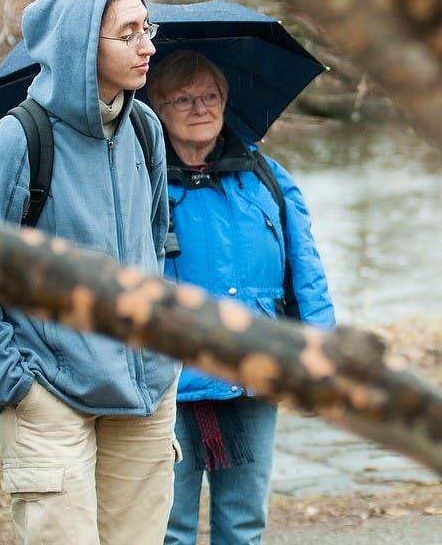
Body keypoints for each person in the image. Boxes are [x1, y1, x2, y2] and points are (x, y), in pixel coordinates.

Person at [0, 0, 179, 543]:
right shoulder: (14, 144)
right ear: (80, 46)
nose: (147, 46)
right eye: (127, 34)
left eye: (146, 29)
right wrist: (14, 383)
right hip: (50, 398)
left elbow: (154, 243)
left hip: (146, 393)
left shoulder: (146, 131)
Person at [145, 50, 335, 545]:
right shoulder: (137, 181)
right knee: (167, 527)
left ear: (227, 102)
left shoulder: (266, 176)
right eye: (181, 99)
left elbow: (307, 276)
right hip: (166, 381)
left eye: (209, 96)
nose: (199, 108)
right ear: (157, 108)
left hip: (253, 372)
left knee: (245, 524)